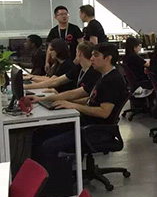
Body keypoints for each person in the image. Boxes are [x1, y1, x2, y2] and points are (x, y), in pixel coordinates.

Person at [35, 43, 128, 171]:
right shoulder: (103, 76)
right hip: (87, 123)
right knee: (41, 132)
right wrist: (45, 99)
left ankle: (55, 181)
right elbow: (87, 98)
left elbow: (103, 112)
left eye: (96, 55)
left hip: (96, 131)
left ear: (108, 58)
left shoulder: (112, 80)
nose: (92, 58)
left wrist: (73, 105)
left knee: (48, 146)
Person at [25, 41, 100, 94]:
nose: (49, 53)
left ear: (79, 53)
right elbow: (55, 81)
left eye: (51, 50)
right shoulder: (79, 68)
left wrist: (30, 80)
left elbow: (53, 81)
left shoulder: (69, 65)